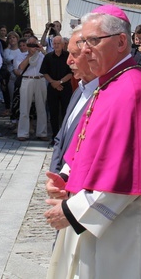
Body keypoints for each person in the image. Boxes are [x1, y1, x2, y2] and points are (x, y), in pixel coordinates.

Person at [44, 5, 141, 278]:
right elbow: (84, 144)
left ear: (120, 42)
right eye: (83, 43)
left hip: (123, 230)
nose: (84, 50)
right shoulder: (107, 85)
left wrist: (71, 212)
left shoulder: (133, 92)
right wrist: (66, 178)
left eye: (93, 41)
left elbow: (125, 177)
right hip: (95, 219)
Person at [49, 27, 98, 173]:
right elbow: (61, 138)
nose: (68, 61)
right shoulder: (78, 91)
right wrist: (55, 174)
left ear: (91, 55)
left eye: (74, 54)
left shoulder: (104, 94)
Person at [40, 35, 73, 146]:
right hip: (52, 88)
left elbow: (71, 73)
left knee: (66, 112)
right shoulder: (48, 57)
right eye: (54, 43)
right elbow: (44, 72)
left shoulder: (68, 56)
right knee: (53, 113)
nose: (56, 45)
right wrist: (53, 83)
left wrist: (60, 82)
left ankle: (65, 137)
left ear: (63, 44)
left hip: (65, 88)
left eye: (58, 43)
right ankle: (54, 136)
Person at [15, 36, 48, 141]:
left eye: (34, 44)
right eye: (30, 44)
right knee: (24, 107)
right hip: (27, 79)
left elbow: (50, 62)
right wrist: (29, 55)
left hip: (40, 79)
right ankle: (23, 133)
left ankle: (42, 133)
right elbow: (20, 68)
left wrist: (41, 50)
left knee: (41, 108)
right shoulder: (21, 55)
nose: (32, 47)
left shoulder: (42, 55)